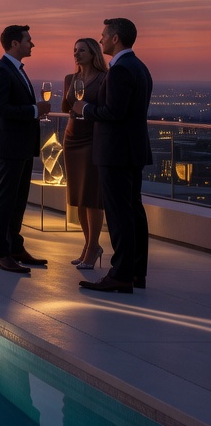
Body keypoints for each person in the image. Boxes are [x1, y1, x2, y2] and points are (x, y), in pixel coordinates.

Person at [74, 18, 153, 293]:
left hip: (115, 152)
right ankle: (135, 273)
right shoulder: (139, 67)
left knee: (120, 215)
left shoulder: (119, 70)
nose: (102, 39)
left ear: (116, 38)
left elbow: (113, 113)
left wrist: (84, 109)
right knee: (133, 212)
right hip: (133, 150)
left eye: (104, 35)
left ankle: (119, 275)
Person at [0, 24, 50, 274]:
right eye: (28, 40)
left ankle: (14, 246)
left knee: (18, 199)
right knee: (5, 199)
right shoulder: (0, 71)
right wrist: (35, 110)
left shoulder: (16, 70)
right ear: (14, 44)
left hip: (20, 146)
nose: (32, 44)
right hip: (8, 146)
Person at [61, 38, 107, 270]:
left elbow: (103, 110)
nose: (76, 54)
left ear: (93, 53)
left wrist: (84, 109)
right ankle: (88, 245)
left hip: (91, 140)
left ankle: (93, 247)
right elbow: (66, 107)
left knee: (92, 197)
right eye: (75, 50)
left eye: (81, 50)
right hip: (72, 139)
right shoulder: (71, 79)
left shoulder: (103, 79)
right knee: (78, 197)